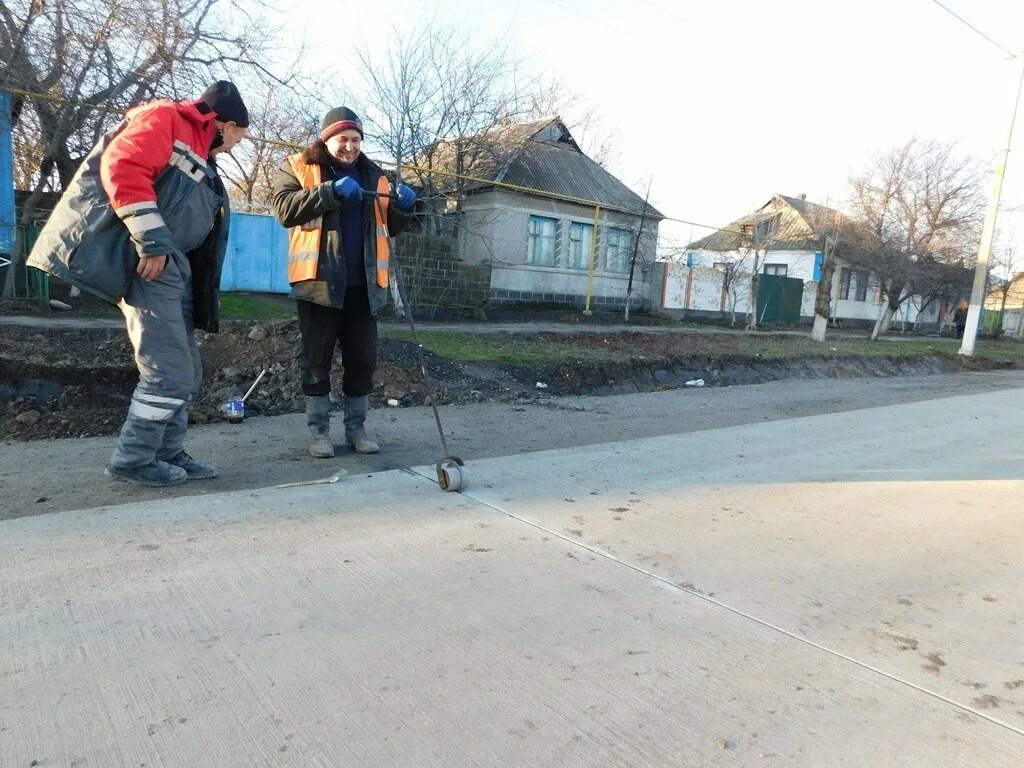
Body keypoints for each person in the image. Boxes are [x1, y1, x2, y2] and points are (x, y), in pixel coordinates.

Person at [28, 81, 249, 487]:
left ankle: (166, 451)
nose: (236, 145)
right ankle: (133, 458)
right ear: (226, 123)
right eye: (239, 136)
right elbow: (124, 167)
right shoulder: (166, 119)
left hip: (174, 267)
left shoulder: (200, 152)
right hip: (153, 263)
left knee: (186, 368)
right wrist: (151, 241)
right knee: (167, 370)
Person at [272, 107, 416, 459]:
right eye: (342, 140)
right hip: (319, 285)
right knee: (316, 361)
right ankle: (319, 433)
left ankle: (357, 430)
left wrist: (405, 207)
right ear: (326, 139)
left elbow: (391, 225)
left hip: (365, 288)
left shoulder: (375, 177)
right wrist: (329, 191)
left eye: (355, 140)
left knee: (362, 360)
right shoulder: (298, 166)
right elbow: (284, 209)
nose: (349, 147)